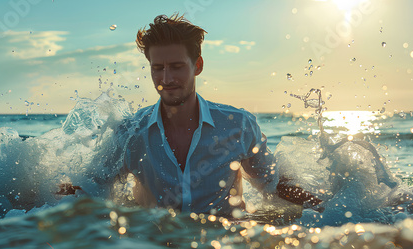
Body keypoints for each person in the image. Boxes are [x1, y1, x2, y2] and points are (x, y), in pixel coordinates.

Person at [114, 13, 321, 216]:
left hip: (223, 238)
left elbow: (273, 185)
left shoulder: (238, 125)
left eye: (177, 67)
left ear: (198, 66)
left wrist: (328, 211)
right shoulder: (130, 132)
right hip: (155, 239)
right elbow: (92, 188)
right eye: (158, 68)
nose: (166, 79)